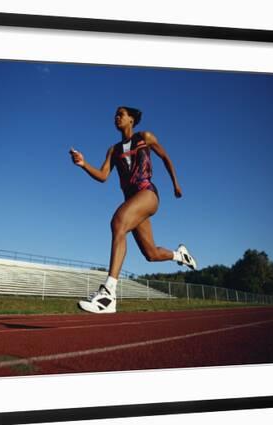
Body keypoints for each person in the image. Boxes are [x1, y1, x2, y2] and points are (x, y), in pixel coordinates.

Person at [69, 106, 197, 314]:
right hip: (132, 201)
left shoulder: (144, 137)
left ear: (131, 119)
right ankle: (179, 255)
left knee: (118, 222)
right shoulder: (114, 150)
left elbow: (165, 157)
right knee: (151, 254)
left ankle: (109, 293)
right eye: (115, 115)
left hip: (148, 193)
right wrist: (83, 164)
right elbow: (103, 176)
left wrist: (176, 183)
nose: (116, 117)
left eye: (121, 114)